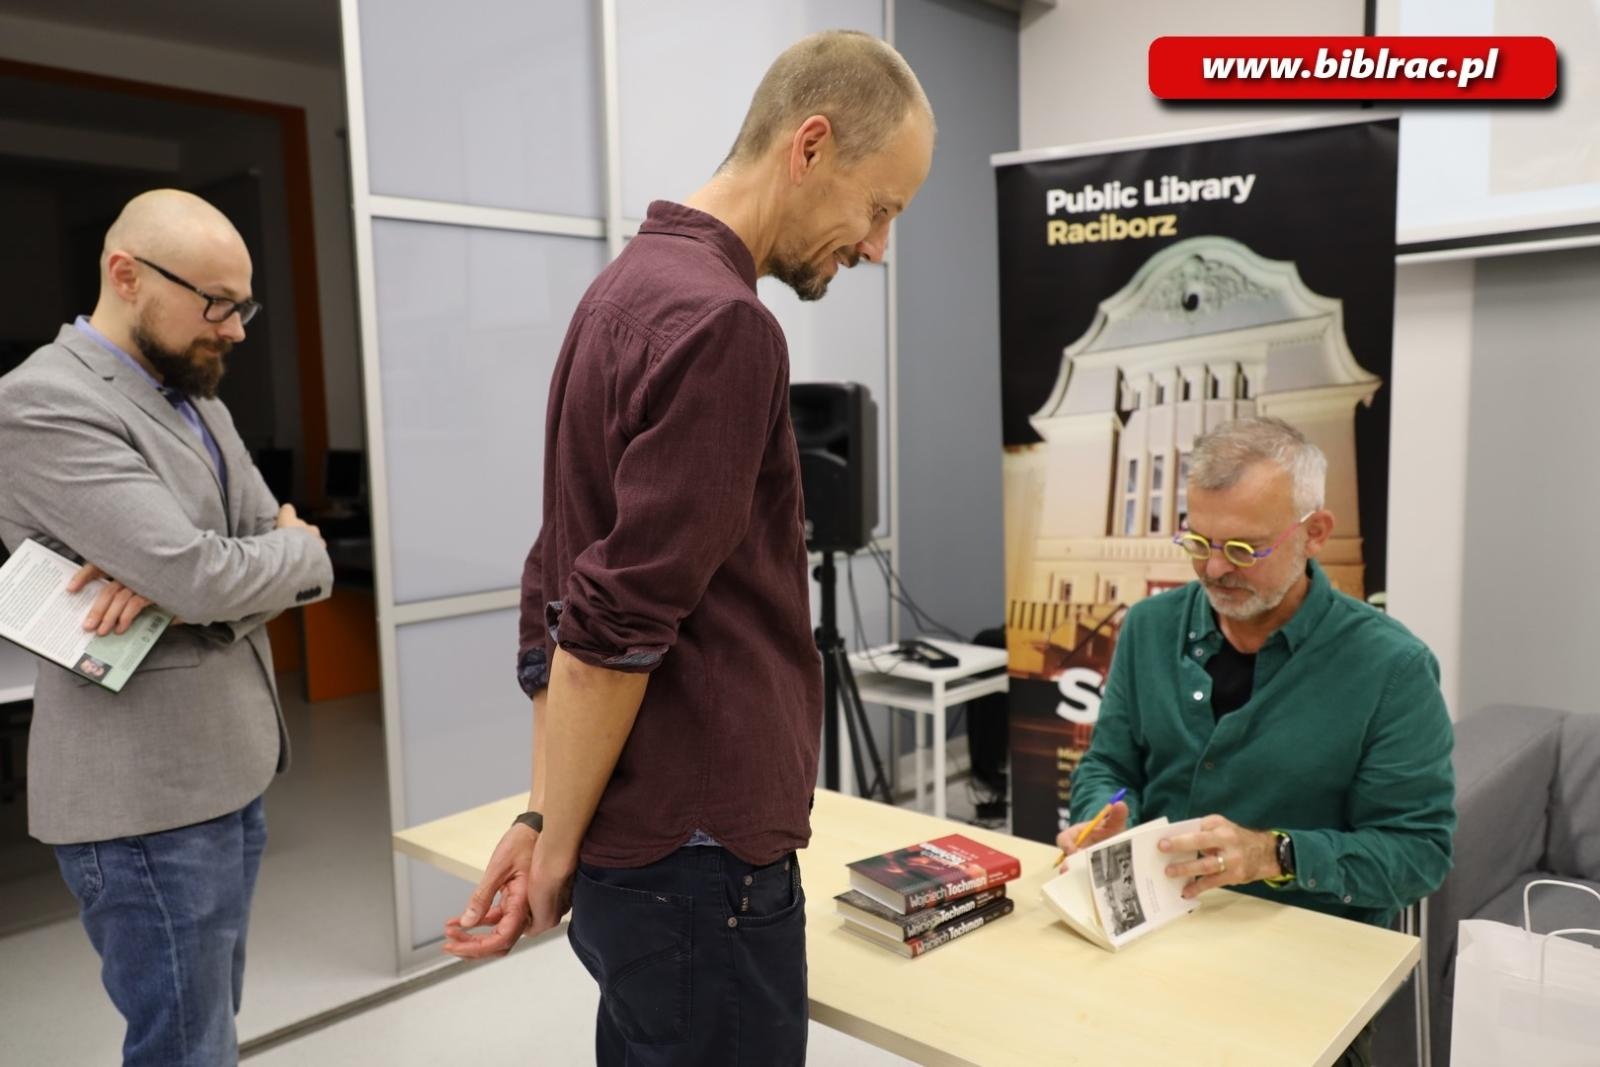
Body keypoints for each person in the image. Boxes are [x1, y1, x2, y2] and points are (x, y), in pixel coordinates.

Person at [442, 30, 935, 1065]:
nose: (877, 245)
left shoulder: (621, 293)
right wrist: (554, 846)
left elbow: (558, 585)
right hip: (700, 859)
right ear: (809, 146)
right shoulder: (727, 325)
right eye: (879, 207)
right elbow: (611, 625)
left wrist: (545, 819)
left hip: (644, 851)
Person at [0, 189, 333, 1066]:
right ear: (126, 274)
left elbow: (261, 556)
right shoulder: (40, 401)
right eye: (217, 303)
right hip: (143, 797)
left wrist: (208, 577)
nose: (236, 329)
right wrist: (210, 574)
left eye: (243, 304)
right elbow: (200, 570)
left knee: (211, 1025)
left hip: (230, 766)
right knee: (183, 1045)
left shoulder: (198, 398)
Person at [1058, 416, 1454, 1066]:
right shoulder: (1150, 627)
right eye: (1197, 541)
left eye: (1244, 550)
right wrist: (1103, 811)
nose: (1214, 569)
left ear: (1315, 533)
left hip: (1305, 975)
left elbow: (1418, 855)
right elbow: (1108, 764)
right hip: (1150, 947)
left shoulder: (1391, 668)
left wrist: (1274, 853)